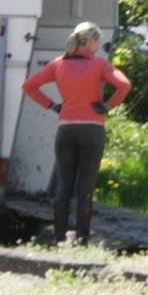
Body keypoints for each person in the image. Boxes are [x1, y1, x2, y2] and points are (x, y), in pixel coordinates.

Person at [22, 21, 131, 245]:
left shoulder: (58, 64)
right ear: (90, 42)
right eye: (97, 41)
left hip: (67, 129)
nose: (98, 45)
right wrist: (108, 105)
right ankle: (82, 238)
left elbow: (29, 86)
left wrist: (53, 105)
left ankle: (59, 236)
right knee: (85, 188)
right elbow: (124, 85)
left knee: (64, 187)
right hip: (92, 130)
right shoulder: (100, 65)